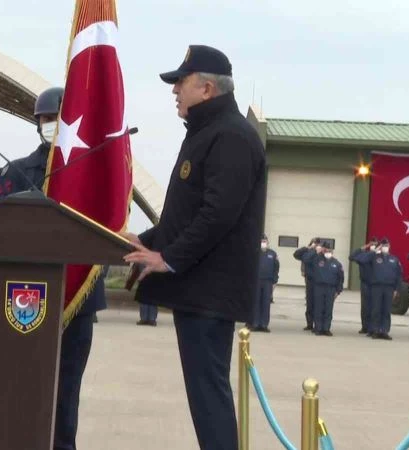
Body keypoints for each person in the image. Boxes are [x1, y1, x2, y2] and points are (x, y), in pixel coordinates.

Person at [122, 45, 266, 450]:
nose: (174, 92)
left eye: (179, 84)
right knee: (205, 397)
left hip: (211, 294)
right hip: (201, 292)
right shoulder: (208, 133)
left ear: (206, 89)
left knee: (209, 398)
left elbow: (219, 213)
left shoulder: (232, 136)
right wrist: (145, 241)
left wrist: (167, 258)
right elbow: (186, 217)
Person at [0, 86, 106, 450]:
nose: (51, 124)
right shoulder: (16, 172)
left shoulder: (93, 173)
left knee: (66, 392)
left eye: (58, 118)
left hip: (77, 303)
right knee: (23, 390)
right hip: (26, 302)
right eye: (45, 119)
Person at [352, 238, 402, 340]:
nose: (385, 247)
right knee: (376, 309)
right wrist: (374, 251)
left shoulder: (394, 259)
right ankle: (375, 330)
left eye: (387, 245)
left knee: (386, 310)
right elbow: (358, 258)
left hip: (389, 287)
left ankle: (384, 331)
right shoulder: (373, 257)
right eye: (383, 245)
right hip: (376, 287)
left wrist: (396, 289)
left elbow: (399, 275)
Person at [303, 242, 343, 336]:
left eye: (329, 250)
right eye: (326, 250)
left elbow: (340, 278)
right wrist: (316, 251)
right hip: (319, 287)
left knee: (328, 309)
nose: (328, 252)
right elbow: (306, 259)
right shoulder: (317, 260)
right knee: (318, 308)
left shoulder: (336, 263)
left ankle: (326, 328)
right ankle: (318, 328)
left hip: (331, 288)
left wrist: (338, 290)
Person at [250, 233, 279, 332]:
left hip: (268, 281)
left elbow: (276, 268)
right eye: (262, 241)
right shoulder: (255, 253)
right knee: (256, 303)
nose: (263, 243)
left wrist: (275, 280)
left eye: (265, 241)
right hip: (256, 281)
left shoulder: (272, 254)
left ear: (268, 242)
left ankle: (264, 325)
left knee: (266, 303)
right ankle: (255, 323)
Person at [350, 236, 379, 334]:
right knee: (365, 307)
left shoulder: (378, 256)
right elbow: (352, 256)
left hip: (376, 285)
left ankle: (373, 327)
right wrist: (365, 247)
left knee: (374, 306)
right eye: (372, 244)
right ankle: (365, 327)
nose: (373, 246)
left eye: (375, 245)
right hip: (365, 284)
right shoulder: (364, 255)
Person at [294, 237, 321, 331]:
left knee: (318, 303)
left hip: (319, 281)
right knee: (310, 302)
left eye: (318, 244)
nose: (316, 245)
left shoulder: (322, 253)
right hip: (310, 280)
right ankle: (309, 323)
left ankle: (318, 324)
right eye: (314, 243)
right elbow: (297, 255)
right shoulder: (308, 252)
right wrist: (308, 248)